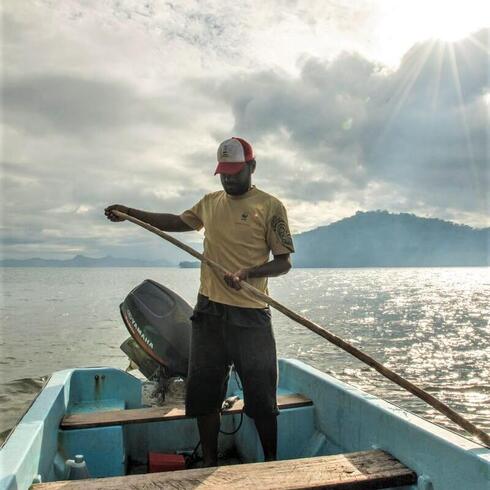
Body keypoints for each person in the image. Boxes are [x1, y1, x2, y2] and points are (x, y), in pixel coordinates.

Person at [105, 137, 294, 466]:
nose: (228, 178)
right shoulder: (210, 203)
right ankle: (209, 462)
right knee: (204, 393)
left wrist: (248, 273)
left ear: (251, 166)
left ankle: (272, 464)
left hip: (251, 316)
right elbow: (176, 222)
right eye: (223, 172)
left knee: (262, 398)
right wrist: (130, 213)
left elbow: (283, 262)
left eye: (235, 172)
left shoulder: (270, 206)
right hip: (209, 314)